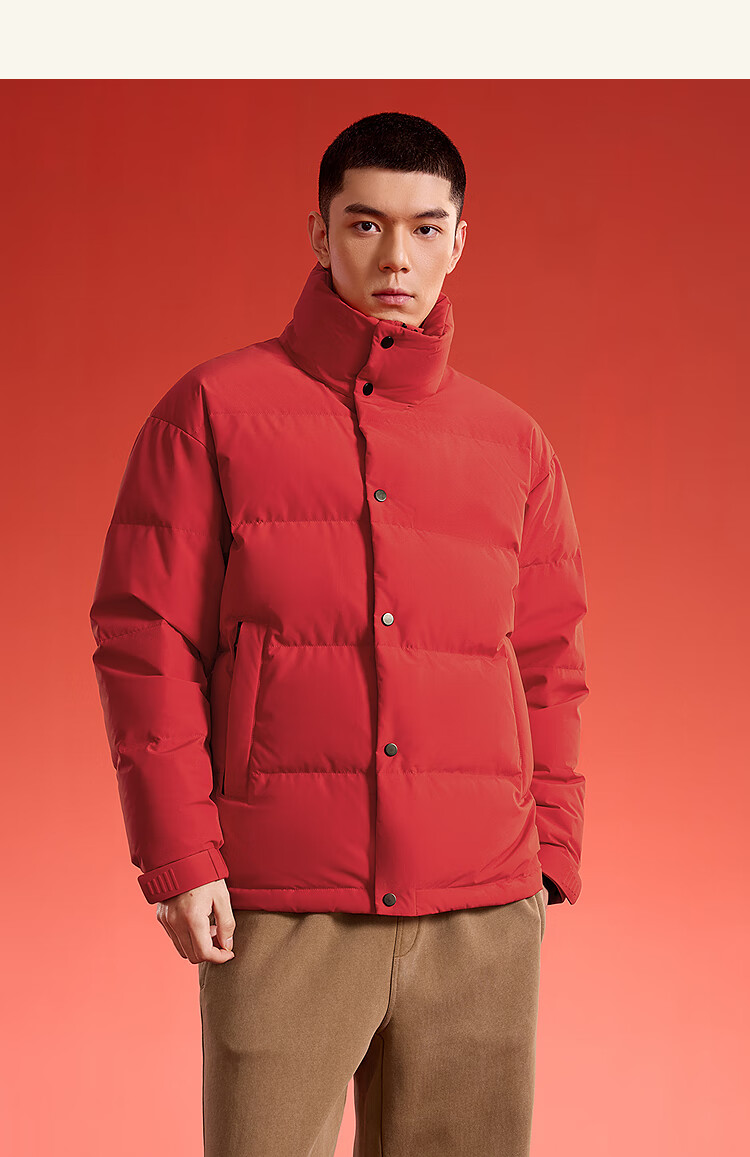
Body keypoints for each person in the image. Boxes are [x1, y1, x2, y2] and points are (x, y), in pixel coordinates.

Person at [89, 110, 589, 1157]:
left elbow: (548, 661)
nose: (395, 257)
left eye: (424, 227)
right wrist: (179, 856)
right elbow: (147, 641)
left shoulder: (515, 445)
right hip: (284, 902)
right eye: (366, 224)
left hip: (481, 911)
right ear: (319, 233)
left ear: (459, 241)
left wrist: (550, 849)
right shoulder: (211, 413)